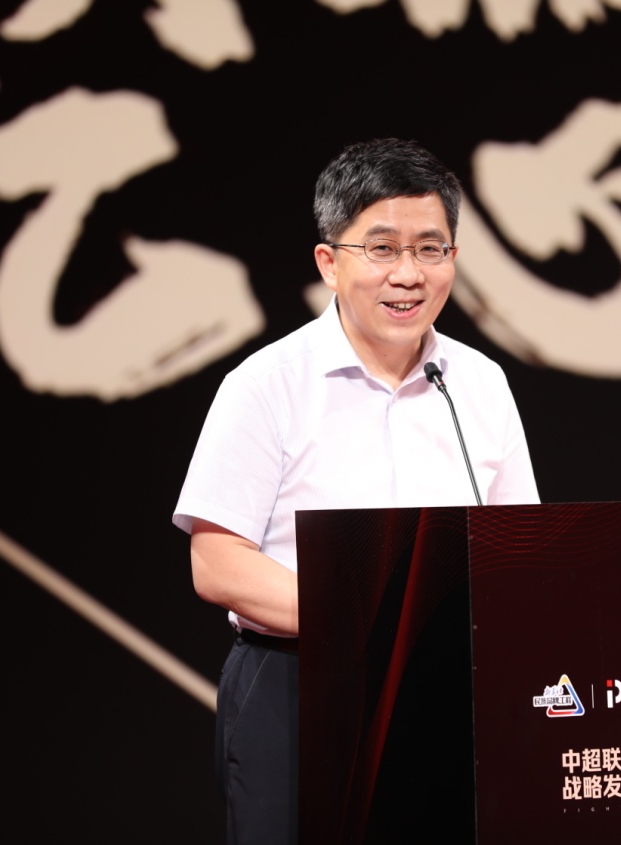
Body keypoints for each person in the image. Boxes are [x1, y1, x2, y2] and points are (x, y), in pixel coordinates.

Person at [172, 138, 540, 844]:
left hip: (447, 688)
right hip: (296, 684)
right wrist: (371, 623)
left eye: (430, 249)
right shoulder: (266, 384)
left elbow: (518, 547)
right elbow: (217, 564)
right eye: (382, 248)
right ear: (328, 263)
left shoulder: (480, 384)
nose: (408, 274)